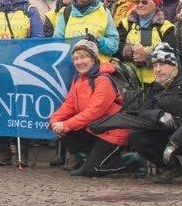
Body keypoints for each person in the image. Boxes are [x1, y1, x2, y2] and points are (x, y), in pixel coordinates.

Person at [124, 43, 182, 185]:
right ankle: (171, 168)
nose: (157, 70)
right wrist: (159, 114)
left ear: (173, 64)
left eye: (162, 64)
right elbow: (143, 113)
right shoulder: (155, 86)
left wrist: (174, 142)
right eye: (155, 65)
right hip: (167, 131)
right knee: (136, 137)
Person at [49, 38, 131, 176]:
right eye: (76, 58)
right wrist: (55, 121)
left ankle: (131, 160)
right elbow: (69, 105)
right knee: (65, 132)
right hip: (95, 129)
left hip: (112, 132)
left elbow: (95, 111)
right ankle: (88, 160)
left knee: (93, 170)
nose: (79, 62)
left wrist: (66, 124)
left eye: (83, 57)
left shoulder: (103, 79)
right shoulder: (79, 78)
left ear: (93, 58)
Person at [118, 0, 176, 84]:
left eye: (144, 2)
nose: (140, 5)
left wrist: (147, 57)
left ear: (154, 5)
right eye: (137, 2)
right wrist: (131, 50)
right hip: (129, 81)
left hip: (157, 83)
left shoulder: (166, 27)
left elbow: (171, 53)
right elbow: (115, 47)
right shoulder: (125, 24)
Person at [54, 0, 118, 60]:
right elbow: (57, 44)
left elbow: (114, 45)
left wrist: (98, 41)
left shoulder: (104, 10)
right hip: (72, 67)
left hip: (99, 69)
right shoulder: (65, 12)